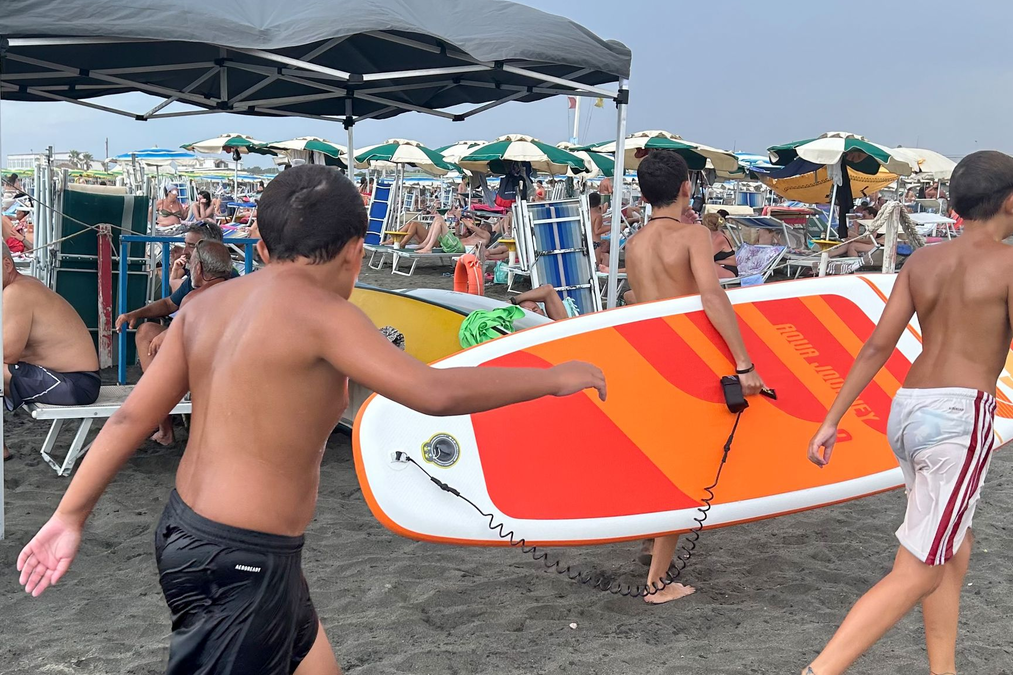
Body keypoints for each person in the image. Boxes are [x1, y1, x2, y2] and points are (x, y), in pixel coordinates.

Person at [17, 164, 605, 674]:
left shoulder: (205, 307)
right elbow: (432, 391)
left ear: (264, 250)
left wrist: (69, 517)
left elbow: (127, 421)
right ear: (356, 251)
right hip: (241, 560)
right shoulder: (328, 315)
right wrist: (552, 378)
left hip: (195, 535)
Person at [800, 151, 1013, 675]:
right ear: (1011, 200)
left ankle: (943, 670)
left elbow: (875, 348)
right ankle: (820, 671)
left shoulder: (922, 261)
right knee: (918, 570)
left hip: (908, 412)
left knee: (953, 543)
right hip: (959, 418)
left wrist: (832, 418)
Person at [623, 150, 766, 604]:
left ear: (644, 194)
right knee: (683, 466)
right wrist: (744, 363)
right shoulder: (694, 236)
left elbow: (634, 300)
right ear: (686, 187)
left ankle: (650, 542)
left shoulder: (634, 242)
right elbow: (712, 297)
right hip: (686, 358)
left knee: (657, 455)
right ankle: (658, 584)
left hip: (648, 357)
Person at [115, 238, 238, 445]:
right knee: (147, 331)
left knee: (150, 340)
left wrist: (173, 333)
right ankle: (163, 422)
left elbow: (206, 330)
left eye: (191, 249)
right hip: (219, 364)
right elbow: (171, 304)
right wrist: (137, 313)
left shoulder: (198, 297)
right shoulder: (233, 287)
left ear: (198, 268)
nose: (187, 255)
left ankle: (161, 417)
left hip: (206, 367)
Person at [2, 246, 101, 460]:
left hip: (76, 384)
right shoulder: (26, 285)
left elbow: (8, 355)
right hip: (74, 378)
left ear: (7, 264)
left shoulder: (16, 292)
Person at [702, 212, 737, 279]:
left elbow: (706, 256)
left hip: (728, 270)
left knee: (702, 265)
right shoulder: (716, 236)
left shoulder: (720, 239)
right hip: (722, 267)